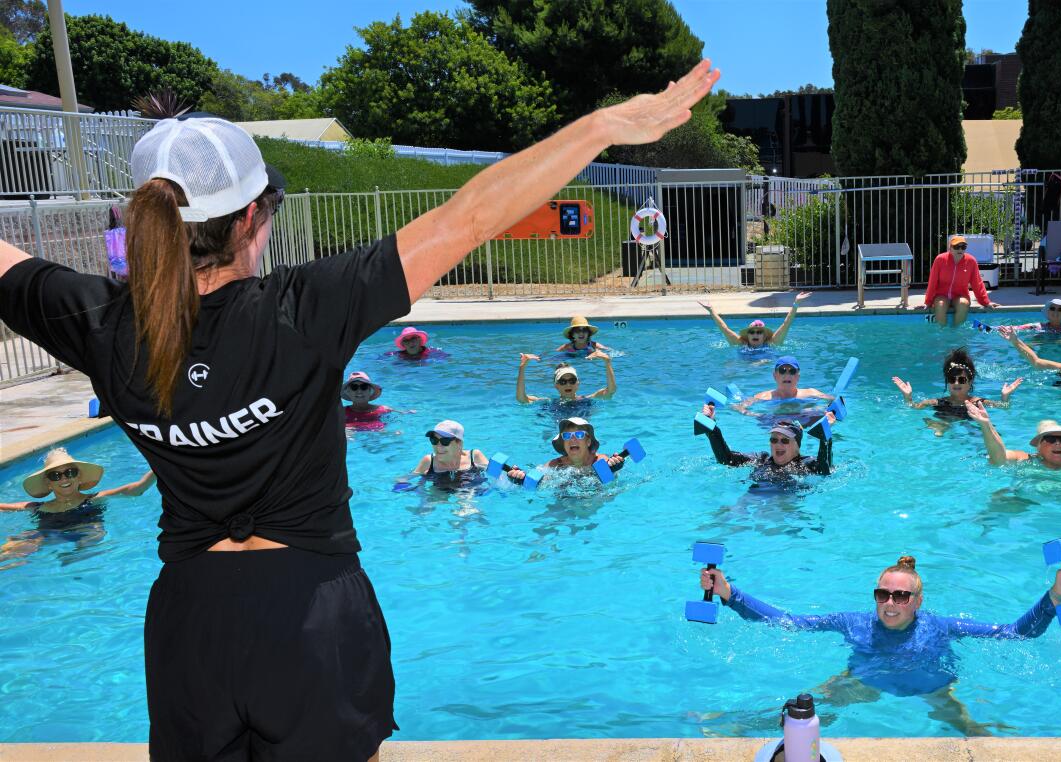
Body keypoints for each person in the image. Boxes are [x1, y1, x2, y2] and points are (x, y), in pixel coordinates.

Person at [0, 58, 720, 760]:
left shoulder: (97, 321)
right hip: (312, 613)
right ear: (254, 215)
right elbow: (467, 218)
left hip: (190, 624)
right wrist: (600, 127)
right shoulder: (302, 309)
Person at [701, 554, 1061, 736]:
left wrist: (1055, 597)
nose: (890, 602)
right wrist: (730, 594)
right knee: (807, 713)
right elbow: (788, 624)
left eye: (901, 596)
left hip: (933, 687)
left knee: (970, 729)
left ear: (918, 601)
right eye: (883, 594)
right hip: (866, 681)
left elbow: (1016, 633)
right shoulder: (852, 623)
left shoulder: (943, 627)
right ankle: (741, 726)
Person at [1, 448, 156, 567]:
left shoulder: (94, 499)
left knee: (94, 531)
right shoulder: (38, 507)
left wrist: (161, 466)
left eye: (70, 472)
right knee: (19, 542)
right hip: (50, 534)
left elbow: (136, 489)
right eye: (56, 475)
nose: (64, 478)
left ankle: (78, 554)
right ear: (48, 483)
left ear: (79, 476)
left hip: (84, 531)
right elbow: (5, 507)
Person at [696, 403, 835, 488]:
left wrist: (826, 434)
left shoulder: (807, 463)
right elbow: (726, 459)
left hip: (786, 504)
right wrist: (712, 428)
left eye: (785, 440)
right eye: (774, 440)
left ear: (797, 444)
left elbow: (825, 470)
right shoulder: (761, 459)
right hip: (754, 498)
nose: (778, 444)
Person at [892, 348, 1021, 430]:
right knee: (930, 420)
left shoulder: (978, 403)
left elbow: (1004, 407)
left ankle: (941, 427)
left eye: (962, 379)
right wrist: (907, 396)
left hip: (970, 426)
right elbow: (913, 407)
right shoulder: (936, 402)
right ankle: (940, 426)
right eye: (952, 380)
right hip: (945, 421)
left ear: (970, 382)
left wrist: (1005, 397)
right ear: (947, 382)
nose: (956, 383)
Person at [401, 420, 518, 491]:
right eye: (434, 440)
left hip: (469, 488)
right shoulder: (429, 461)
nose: (438, 446)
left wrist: (512, 474)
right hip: (441, 487)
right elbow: (405, 479)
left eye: (445, 441)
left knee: (466, 503)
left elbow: (496, 474)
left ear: (459, 443)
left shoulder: (474, 456)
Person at [506, 417, 624, 480]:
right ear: (563, 443)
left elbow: (609, 486)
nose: (573, 439)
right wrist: (520, 477)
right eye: (567, 436)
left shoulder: (599, 461)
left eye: (579, 435)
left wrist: (613, 470)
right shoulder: (556, 464)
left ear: (588, 441)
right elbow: (535, 479)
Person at [920, 235, 999, 326]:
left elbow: (977, 283)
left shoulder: (971, 261)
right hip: (941, 295)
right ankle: (942, 334)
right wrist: (928, 302)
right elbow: (932, 282)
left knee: (963, 304)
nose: (960, 250)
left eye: (963, 247)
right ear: (950, 248)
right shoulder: (940, 259)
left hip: (960, 295)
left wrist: (986, 302)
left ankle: (956, 332)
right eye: (957, 247)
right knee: (940, 305)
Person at [698, 292, 811, 349]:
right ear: (747, 335)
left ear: (764, 335)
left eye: (759, 332)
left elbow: (786, 324)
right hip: (744, 370)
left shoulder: (772, 343)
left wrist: (796, 303)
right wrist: (711, 310)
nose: (755, 334)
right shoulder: (741, 344)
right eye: (752, 332)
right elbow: (724, 328)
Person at [734, 355, 832, 420]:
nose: (787, 375)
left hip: (804, 419)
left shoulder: (811, 393)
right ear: (775, 376)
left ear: (798, 376)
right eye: (782, 370)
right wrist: (757, 415)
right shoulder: (764, 397)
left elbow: (835, 401)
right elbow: (738, 407)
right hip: (775, 422)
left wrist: (820, 409)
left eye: (792, 371)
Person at [516, 352, 616, 403]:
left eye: (572, 381)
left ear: (578, 383)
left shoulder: (586, 400)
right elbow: (521, 399)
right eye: (563, 381)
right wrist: (522, 367)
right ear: (556, 385)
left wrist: (607, 362)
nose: (568, 384)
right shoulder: (550, 402)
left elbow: (610, 390)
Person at [341, 371, 412, 431]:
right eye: (354, 387)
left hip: (377, 433)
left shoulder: (382, 409)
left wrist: (407, 412)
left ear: (370, 391)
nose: (359, 391)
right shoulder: (342, 412)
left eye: (364, 387)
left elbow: (400, 415)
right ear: (348, 392)